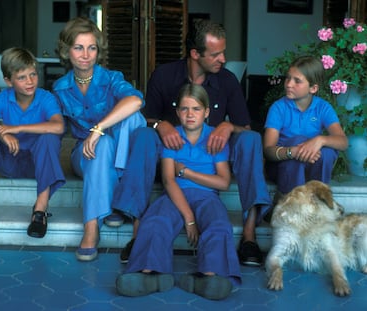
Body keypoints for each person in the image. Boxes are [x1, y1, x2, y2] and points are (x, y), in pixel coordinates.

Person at [112, 19, 272, 266]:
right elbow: (145, 120)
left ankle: (249, 236)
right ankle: (137, 233)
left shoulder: (228, 81)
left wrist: (228, 125)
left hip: (212, 155)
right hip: (171, 155)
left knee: (250, 139)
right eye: (216, 54)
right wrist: (159, 124)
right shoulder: (164, 75)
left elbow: (245, 126)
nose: (223, 59)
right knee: (143, 136)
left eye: (223, 52)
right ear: (195, 54)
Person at [116, 84, 241, 300]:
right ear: (177, 112)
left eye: (196, 109)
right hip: (174, 195)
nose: (190, 114)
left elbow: (223, 182)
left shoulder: (215, 138)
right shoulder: (172, 137)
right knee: (155, 221)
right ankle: (150, 274)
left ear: (207, 112)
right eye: (184, 109)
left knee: (218, 225)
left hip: (207, 196)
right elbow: (168, 180)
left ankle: (210, 277)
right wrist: (189, 218)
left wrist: (186, 172)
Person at [53, 17, 146, 262]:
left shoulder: (112, 78)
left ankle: (95, 222)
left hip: (114, 148)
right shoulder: (60, 88)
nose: (86, 54)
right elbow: (56, 129)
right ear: (67, 51)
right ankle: (93, 225)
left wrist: (98, 128)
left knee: (131, 118)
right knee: (99, 146)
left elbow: (136, 101)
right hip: (84, 155)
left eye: (91, 47)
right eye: (78, 47)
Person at [0, 47, 65, 238]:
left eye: (33, 74)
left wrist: (17, 129)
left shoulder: (45, 98)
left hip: (38, 165)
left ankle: (40, 210)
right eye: (22, 77)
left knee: (49, 138)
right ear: (9, 81)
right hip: (10, 162)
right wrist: (0, 133)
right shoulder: (4, 98)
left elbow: (59, 126)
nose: (30, 81)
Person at [263, 55, 348, 196]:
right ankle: (288, 201)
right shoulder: (278, 108)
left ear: (313, 88)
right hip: (281, 167)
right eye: (288, 78)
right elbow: (268, 151)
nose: (289, 84)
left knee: (327, 151)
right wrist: (292, 151)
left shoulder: (323, 107)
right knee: (298, 141)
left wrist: (320, 140)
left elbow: (343, 142)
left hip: (310, 166)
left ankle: (319, 199)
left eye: (297, 81)